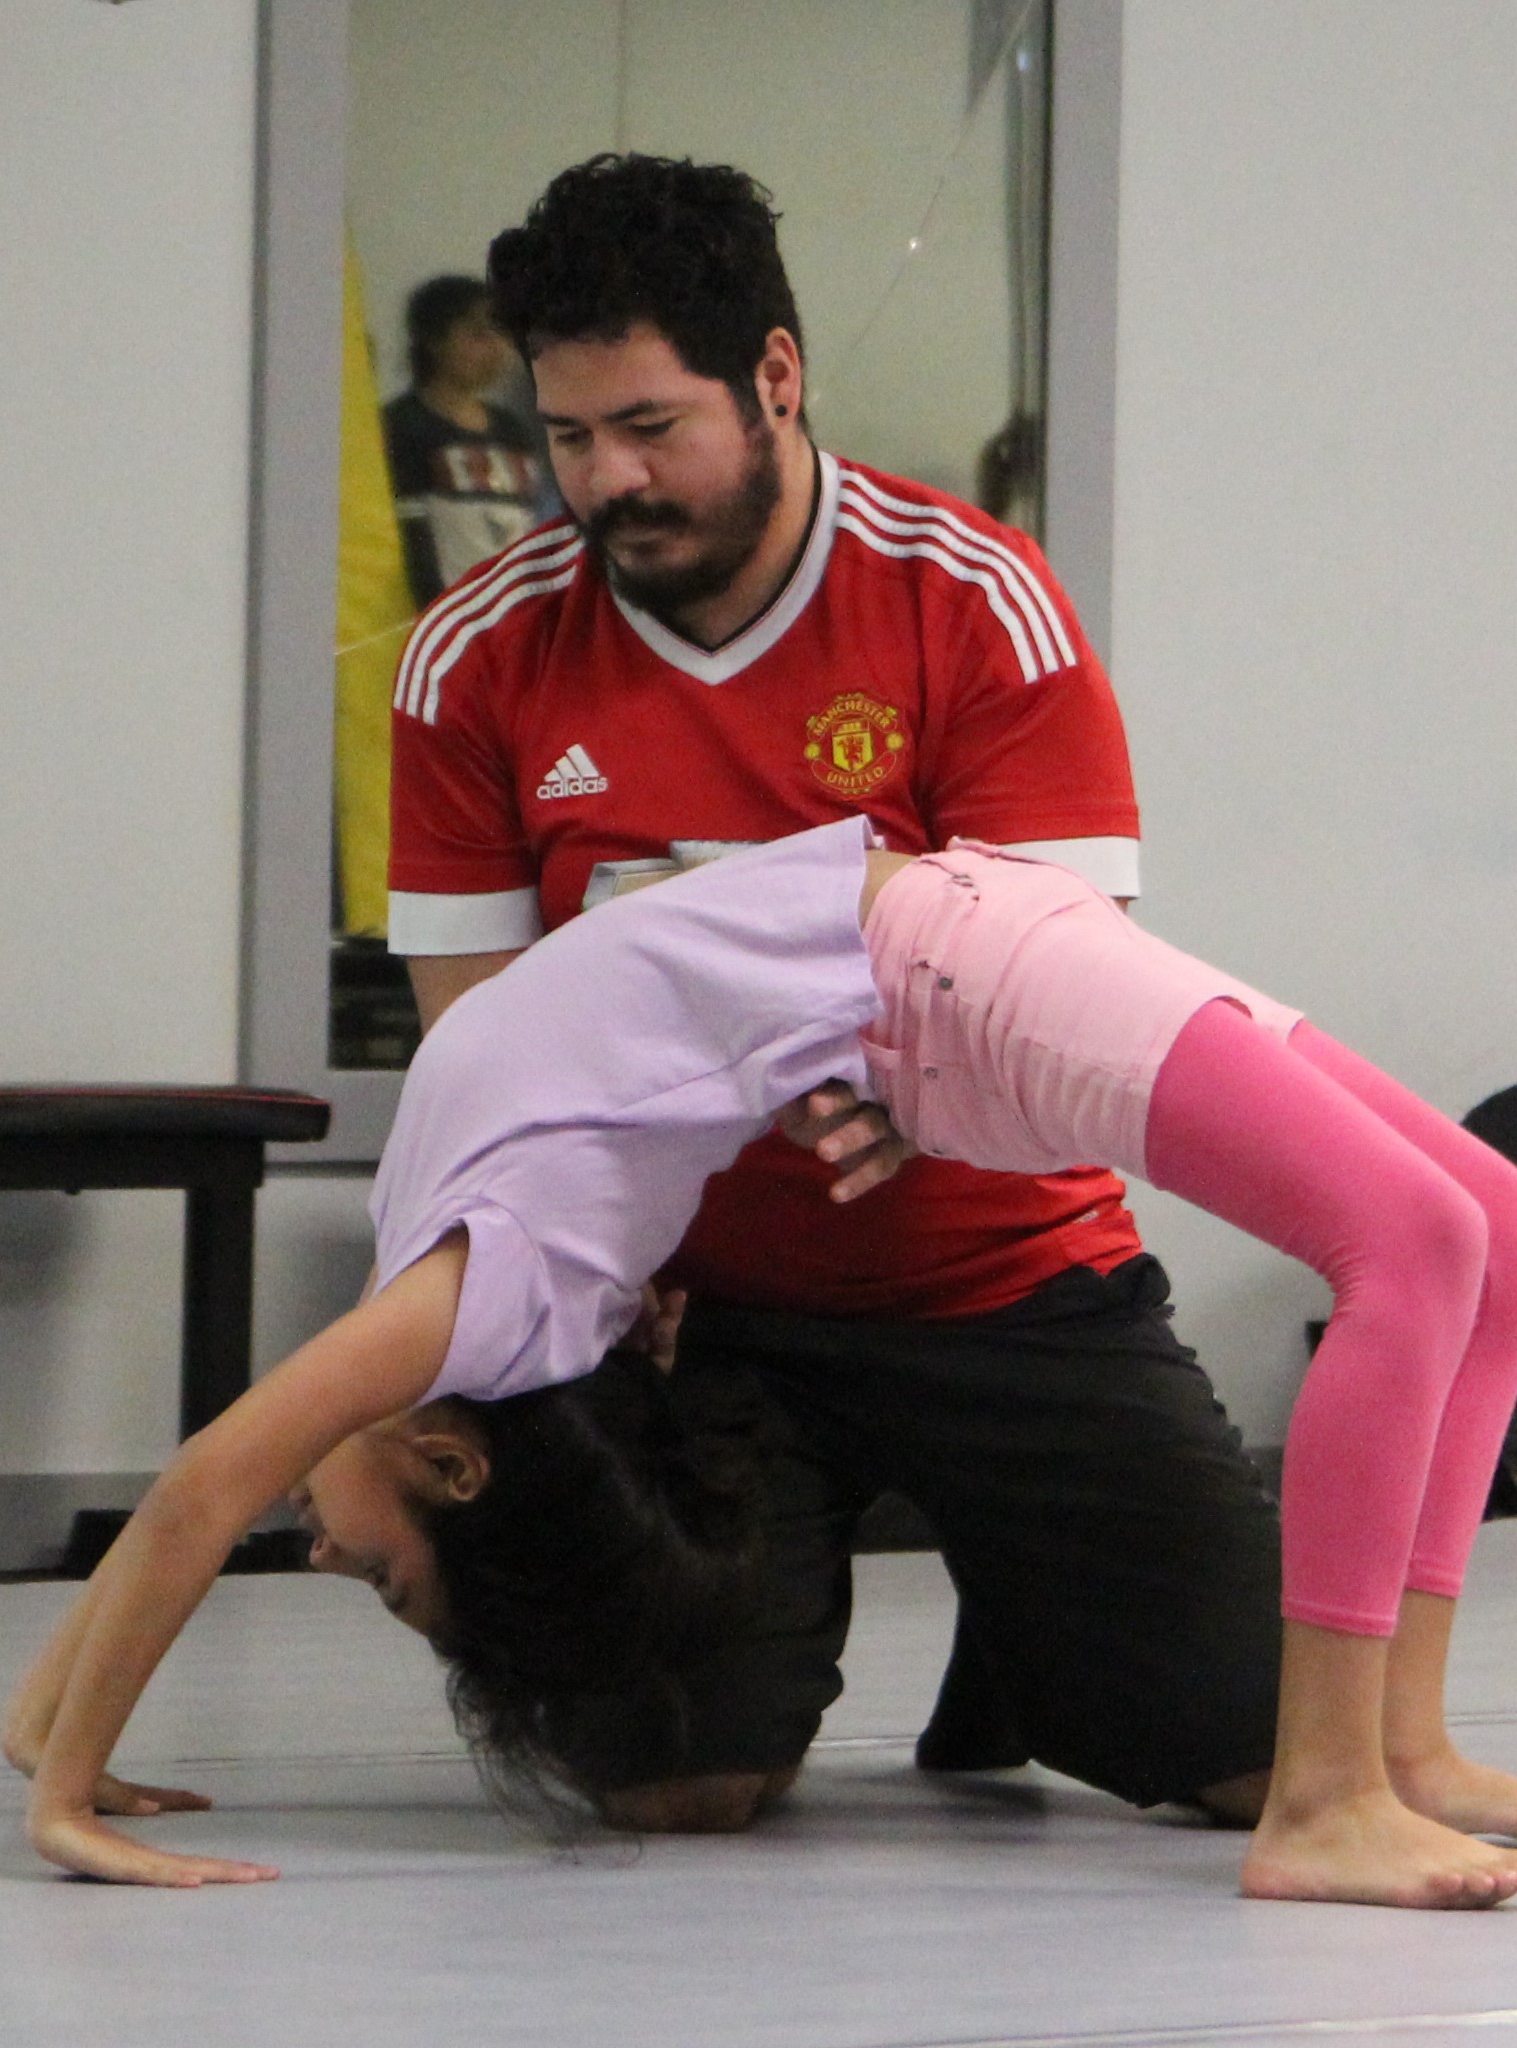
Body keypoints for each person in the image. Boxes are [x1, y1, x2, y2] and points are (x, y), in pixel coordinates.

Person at [0, 822, 1517, 1905]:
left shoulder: (451, 1307)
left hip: (952, 952)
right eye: (377, 1573)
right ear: (452, 1460)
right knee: (1419, 1239)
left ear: (450, 1459)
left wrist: (52, 1755)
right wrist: (64, 1737)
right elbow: (209, 1493)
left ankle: (1384, 1755)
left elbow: (200, 1485)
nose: (323, 1545)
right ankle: (1328, 1799)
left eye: (375, 1573)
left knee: (1507, 1226)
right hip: (951, 973)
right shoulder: (495, 1313)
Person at [386, 150, 1285, 1835]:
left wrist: (909, 1087)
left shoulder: (971, 601)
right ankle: (992, 1608)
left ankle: (1031, 1617)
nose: (605, 480)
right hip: (700, 1318)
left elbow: (1068, 1000)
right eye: (567, 436)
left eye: (650, 426)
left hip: (999, 1275)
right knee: (667, 1784)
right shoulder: (475, 657)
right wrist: (599, 1257)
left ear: (776, 378)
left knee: (1252, 1761)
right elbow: (481, 1062)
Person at [383, 274, 556, 608]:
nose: (497, 349)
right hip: (445, 613)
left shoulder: (513, 431)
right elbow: (409, 537)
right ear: (434, 339)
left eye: (503, 334)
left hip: (512, 611)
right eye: (478, 335)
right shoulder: (402, 426)